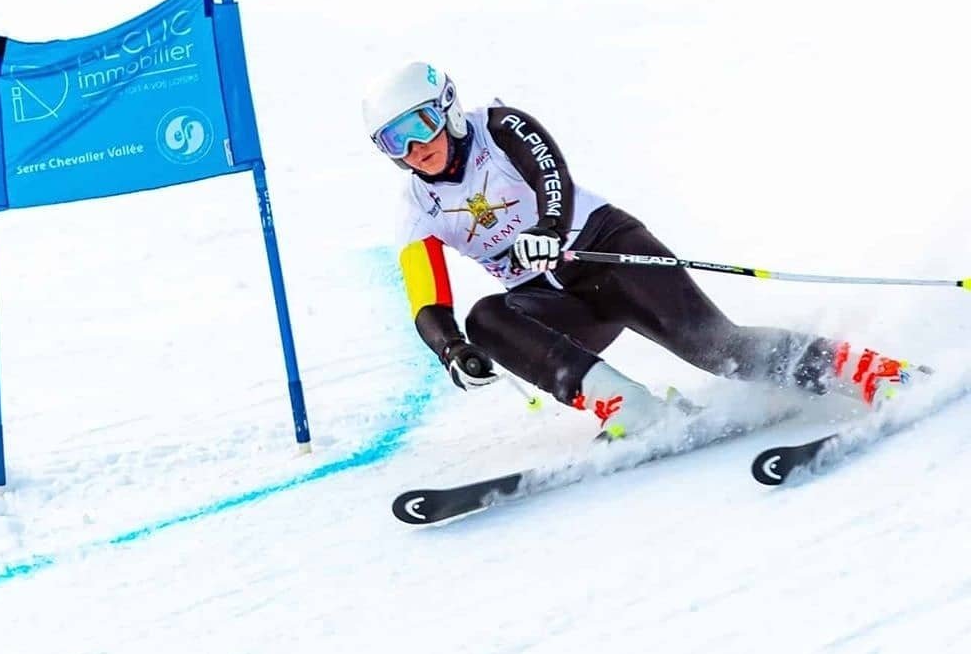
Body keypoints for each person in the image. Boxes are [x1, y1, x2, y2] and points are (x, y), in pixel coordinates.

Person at [362, 62, 912, 435]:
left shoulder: (501, 128)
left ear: (449, 107)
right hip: (554, 302)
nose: (416, 147)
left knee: (720, 350)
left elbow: (552, 177)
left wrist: (548, 235)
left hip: (606, 252)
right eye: (396, 140)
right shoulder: (416, 211)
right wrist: (452, 350)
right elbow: (427, 300)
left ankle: (872, 371)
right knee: (485, 319)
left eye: (422, 124)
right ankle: (630, 407)